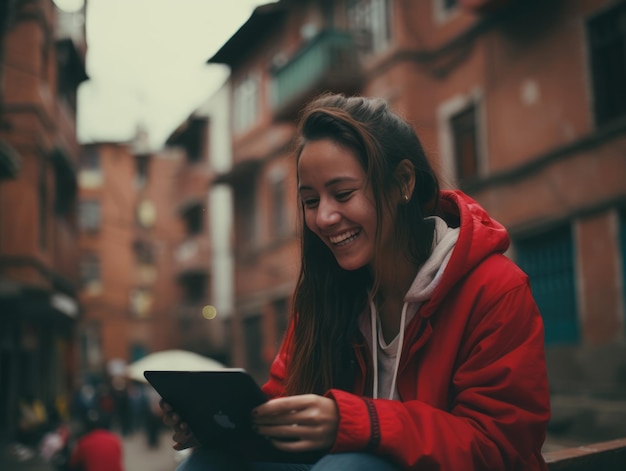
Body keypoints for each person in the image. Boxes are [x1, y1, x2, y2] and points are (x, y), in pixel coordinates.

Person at [162, 93, 551, 470]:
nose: (324, 218)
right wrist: (219, 425)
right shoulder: (325, 294)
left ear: (402, 182)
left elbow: (500, 447)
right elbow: (284, 402)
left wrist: (357, 422)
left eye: (343, 194)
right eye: (311, 201)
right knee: (208, 462)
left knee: (350, 464)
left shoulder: (495, 289)